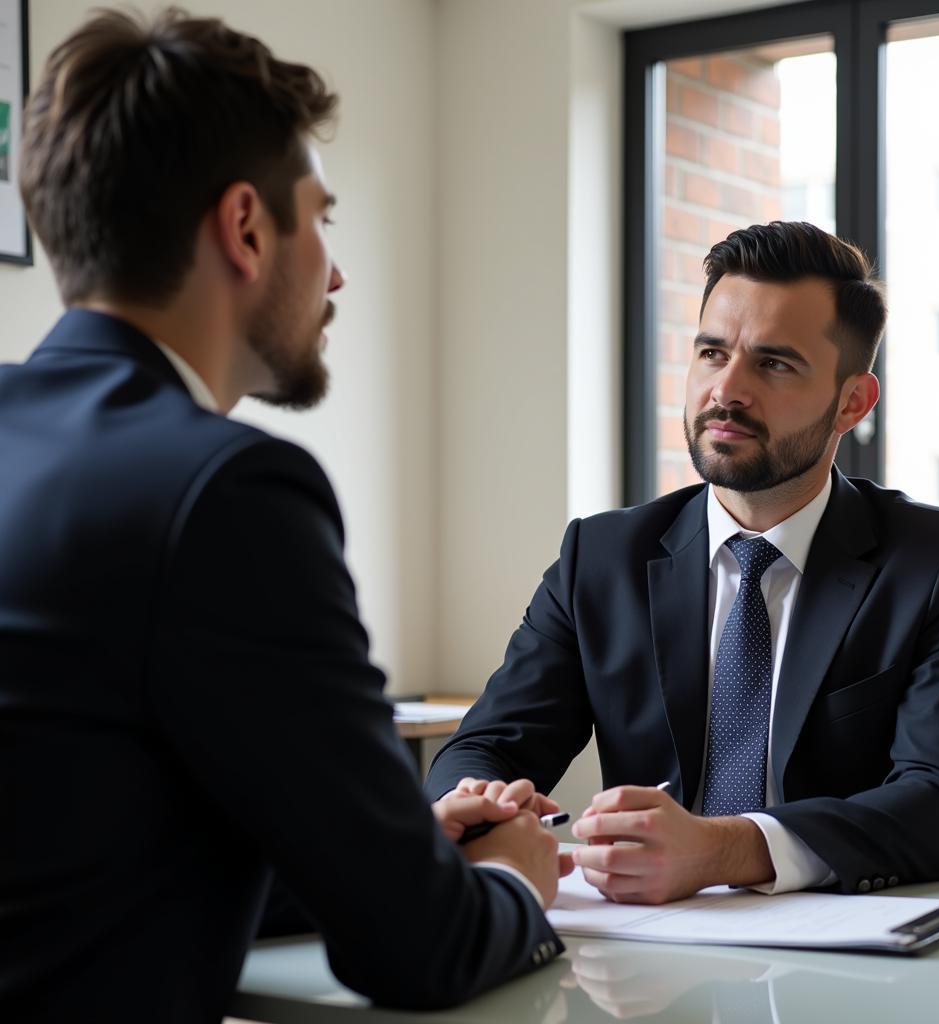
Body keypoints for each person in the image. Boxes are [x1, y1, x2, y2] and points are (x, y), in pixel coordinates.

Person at [0, 9, 569, 1022]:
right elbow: (419, 952)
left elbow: (88, 848)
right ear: (247, 229)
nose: (336, 269)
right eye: (322, 217)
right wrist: (518, 879)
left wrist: (389, 844)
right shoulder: (228, 493)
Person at [426, 220, 939, 904]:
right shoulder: (601, 557)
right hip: (643, 954)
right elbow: (484, 748)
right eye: (711, 352)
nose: (725, 391)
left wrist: (726, 849)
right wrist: (479, 808)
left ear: (851, 401)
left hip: (849, 965)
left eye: (773, 363)